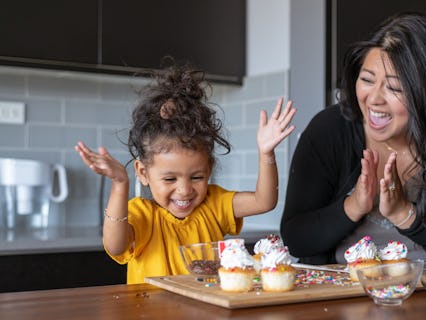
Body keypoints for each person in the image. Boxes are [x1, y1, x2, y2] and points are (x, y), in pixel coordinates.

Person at [280, 12, 426, 267]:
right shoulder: (330, 130)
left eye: (394, 88)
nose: (374, 99)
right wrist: (354, 205)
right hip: (340, 298)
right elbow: (296, 239)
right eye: (367, 80)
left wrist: (404, 214)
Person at [76, 63, 295, 284]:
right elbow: (116, 246)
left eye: (197, 177)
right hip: (152, 318)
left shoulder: (215, 204)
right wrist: (120, 183)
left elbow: (264, 201)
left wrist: (266, 153)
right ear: (142, 172)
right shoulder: (141, 214)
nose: (184, 190)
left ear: (209, 169)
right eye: (170, 179)